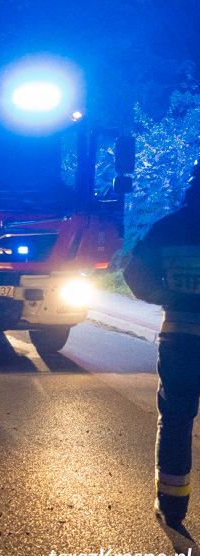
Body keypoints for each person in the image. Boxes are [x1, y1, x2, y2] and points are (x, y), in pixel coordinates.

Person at [123, 156, 200, 528]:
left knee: (176, 420)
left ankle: (172, 507)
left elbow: (135, 274)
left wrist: (167, 296)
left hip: (181, 338)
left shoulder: (168, 227)